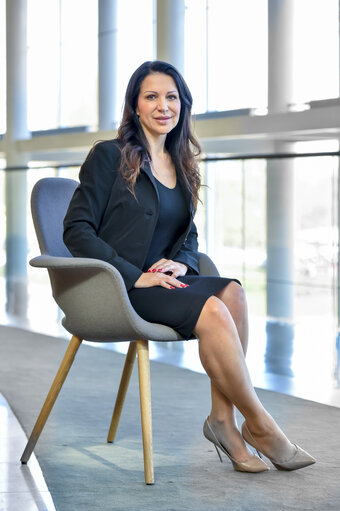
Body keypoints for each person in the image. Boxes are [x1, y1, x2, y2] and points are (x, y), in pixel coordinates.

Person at [63, 60, 315, 473]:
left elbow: (188, 236)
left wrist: (181, 264)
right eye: (152, 96)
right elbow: (76, 230)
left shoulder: (180, 164)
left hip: (166, 284)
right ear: (135, 106)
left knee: (232, 291)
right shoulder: (109, 156)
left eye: (172, 97)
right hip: (122, 289)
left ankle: (222, 420)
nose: (164, 106)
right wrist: (133, 274)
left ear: (183, 105)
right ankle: (261, 424)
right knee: (213, 310)